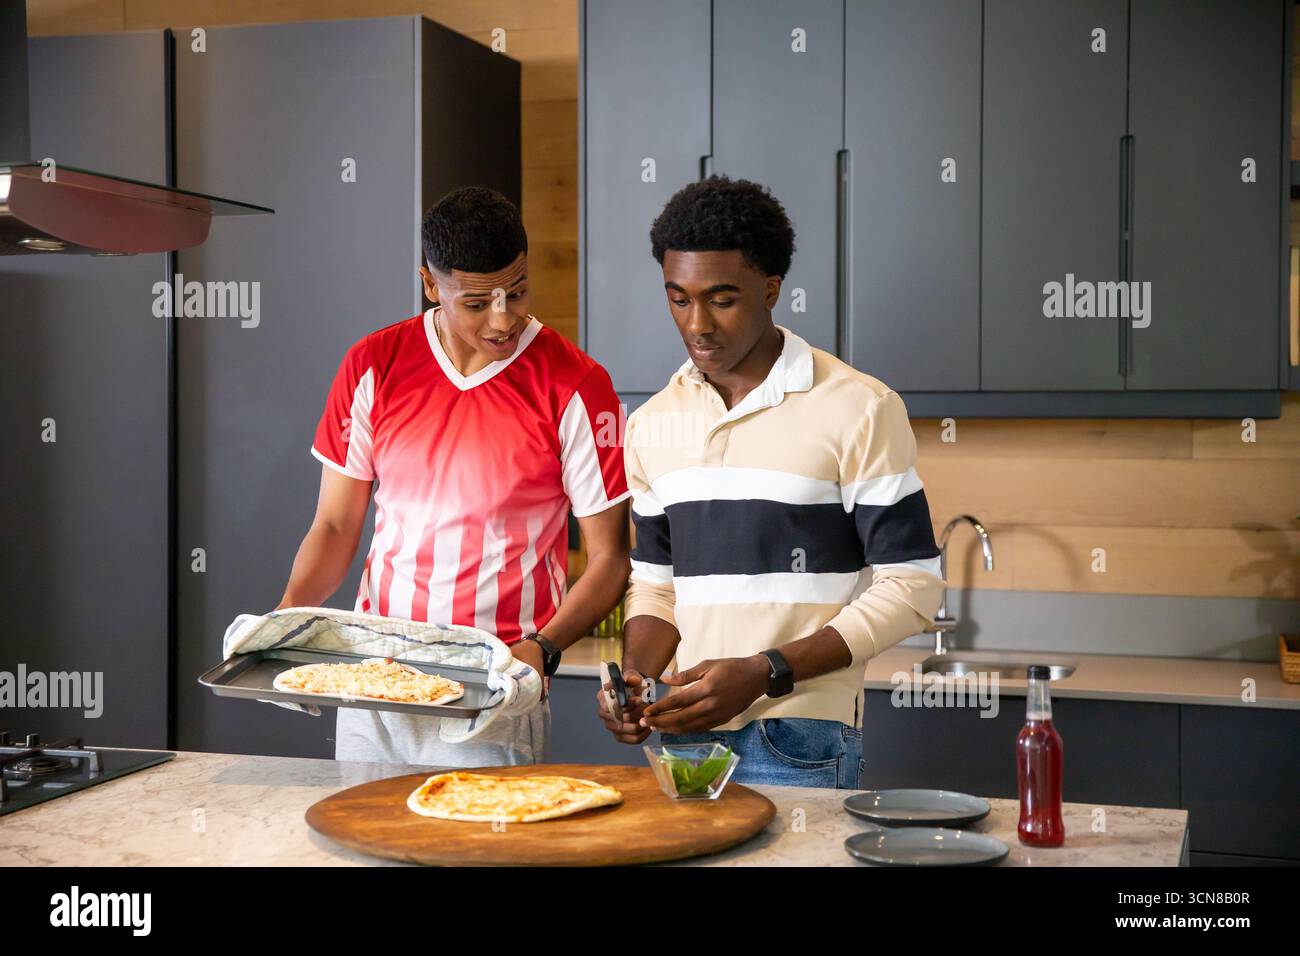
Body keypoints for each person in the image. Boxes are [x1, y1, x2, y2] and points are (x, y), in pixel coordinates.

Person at [597, 175, 945, 788]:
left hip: (799, 736)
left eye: (722, 299)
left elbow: (913, 587)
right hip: (683, 734)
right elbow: (656, 587)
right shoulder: (650, 425)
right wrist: (634, 676)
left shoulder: (859, 407)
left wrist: (765, 670)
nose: (696, 324)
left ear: (771, 288)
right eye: (678, 298)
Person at [279, 186, 631, 766]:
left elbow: (610, 558)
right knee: (362, 849)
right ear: (429, 283)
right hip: (376, 680)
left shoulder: (577, 384)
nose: (503, 319)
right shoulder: (372, 364)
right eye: (475, 303)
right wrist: (286, 624)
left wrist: (541, 648)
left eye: (516, 293)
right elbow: (337, 526)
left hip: (494, 691)